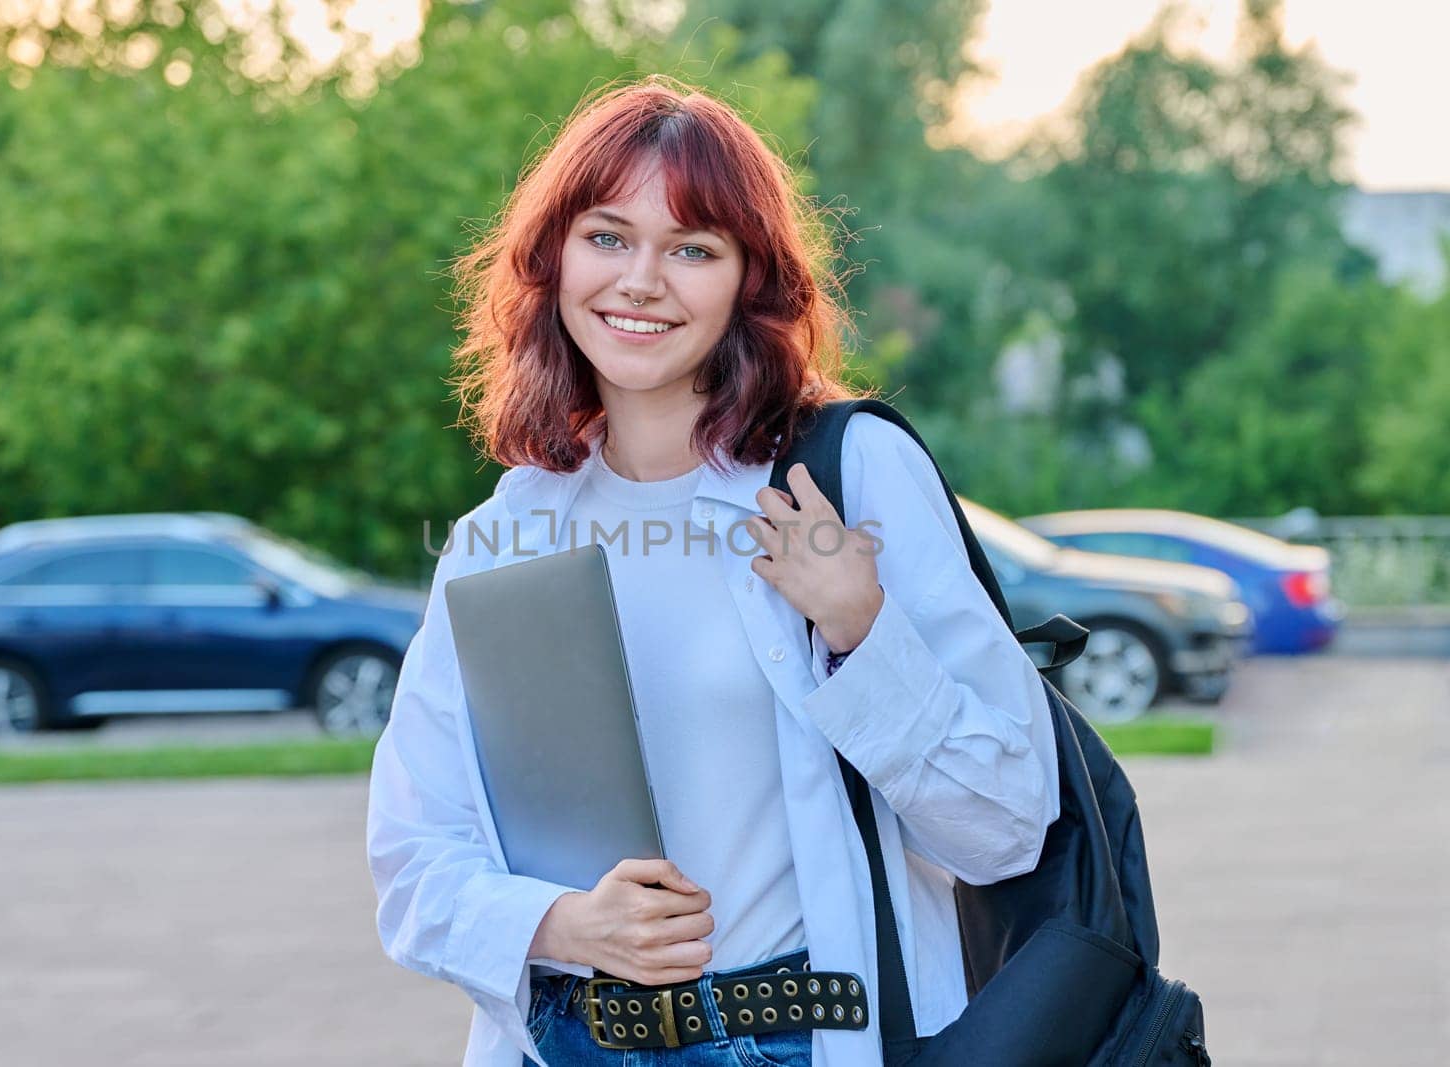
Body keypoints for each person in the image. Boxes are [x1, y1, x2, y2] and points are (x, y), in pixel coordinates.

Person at [365, 76, 1059, 1067]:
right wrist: (563, 923)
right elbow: (412, 862)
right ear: (554, 258)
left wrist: (865, 634)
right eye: (607, 236)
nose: (641, 281)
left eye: (692, 248)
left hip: (799, 1036)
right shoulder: (504, 534)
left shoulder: (845, 476)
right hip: (569, 1042)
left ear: (748, 281)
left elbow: (1004, 829)